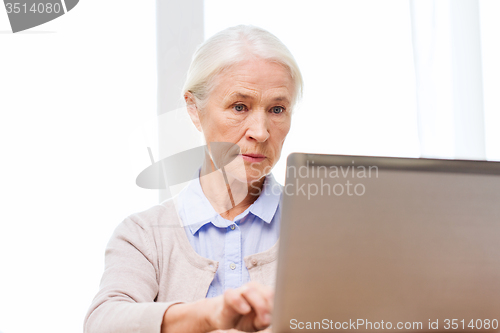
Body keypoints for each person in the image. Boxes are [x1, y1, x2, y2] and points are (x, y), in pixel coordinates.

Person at [83, 24, 303, 333]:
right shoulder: (144, 235)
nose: (261, 131)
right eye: (239, 106)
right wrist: (209, 315)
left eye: (277, 109)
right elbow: (103, 323)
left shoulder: (322, 229)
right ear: (193, 109)